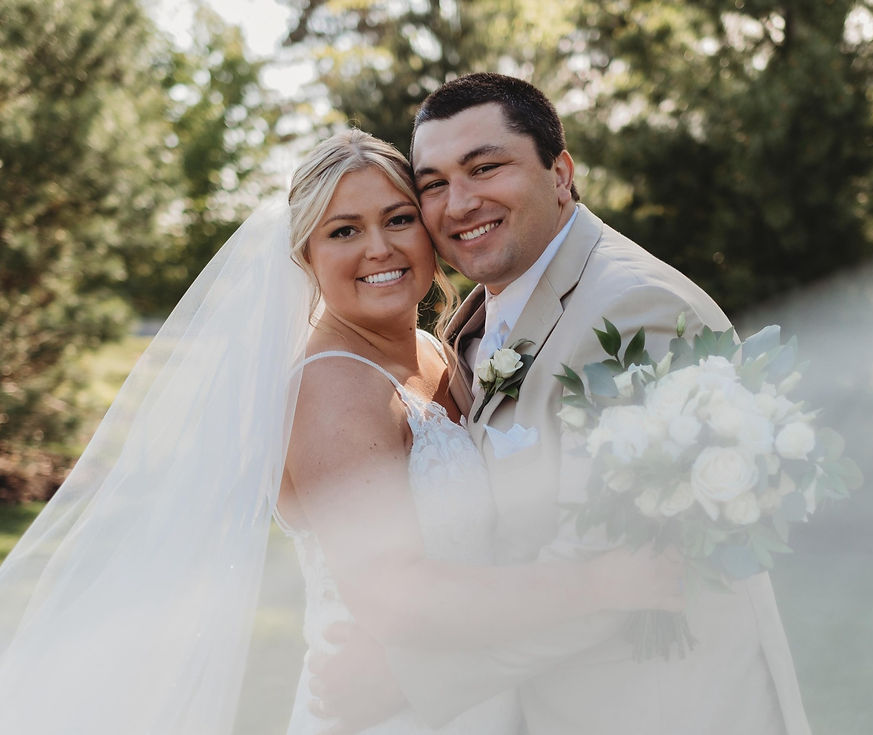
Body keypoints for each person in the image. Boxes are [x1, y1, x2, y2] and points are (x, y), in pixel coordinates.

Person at [0, 129, 683, 735]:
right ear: (305, 253)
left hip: (480, 701)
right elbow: (397, 596)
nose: (379, 247)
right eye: (344, 230)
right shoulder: (331, 388)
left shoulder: (434, 350)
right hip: (389, 715)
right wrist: (601, 583)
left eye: (398, 219)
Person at [308, 73, 812, 735]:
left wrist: (406, 678)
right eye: (433, 183)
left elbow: (623, 567)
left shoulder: (634, 310)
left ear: (560, 172)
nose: (459, 202)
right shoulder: (477, 320)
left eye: (485, 166)